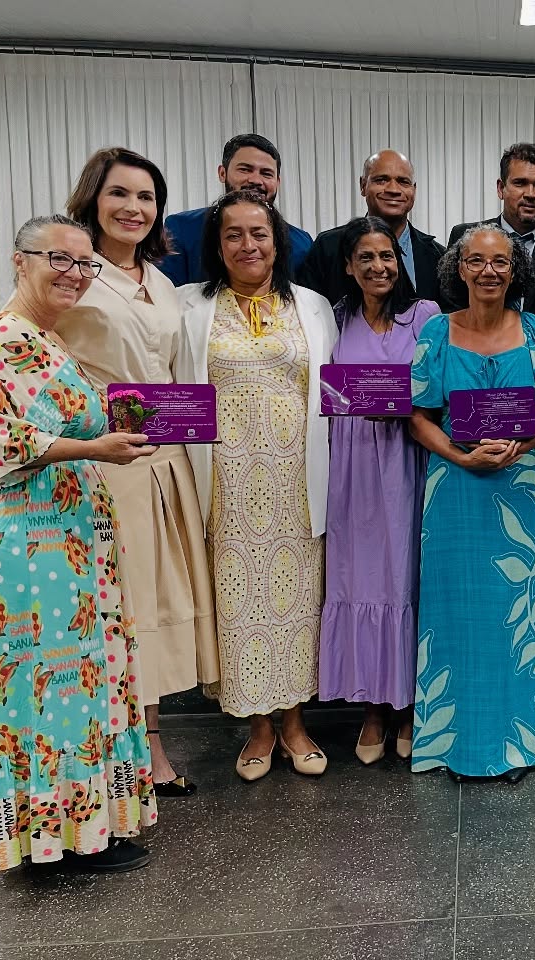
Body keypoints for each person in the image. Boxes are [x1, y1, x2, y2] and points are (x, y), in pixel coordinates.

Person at [0, 148, 220, 796]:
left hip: (164, 460)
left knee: (152, 605)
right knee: (116, 610)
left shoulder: (158, 277)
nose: (134, 207)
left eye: (147, 197)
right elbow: (18, 334)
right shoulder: (74, 274)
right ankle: (128, 753)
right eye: (120, 193)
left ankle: (144, 741)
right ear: (93, 198)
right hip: (97, 465)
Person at [0, 214, 157, 871]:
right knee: (43, 694)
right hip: (24, 549)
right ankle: (55, 844)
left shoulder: (43, 339)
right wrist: (94, 447)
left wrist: (174, 411)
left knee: (78, 688)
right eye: (59, 260)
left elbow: (81, 416)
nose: (74, 273)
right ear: (21, 261)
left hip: (67, 543)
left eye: (85, 263)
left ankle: (87, 828)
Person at [175, 192, 336, 779]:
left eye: (259, 233)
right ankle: (258, 727)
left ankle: (295, 723)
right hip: (229, 485)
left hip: (296, 479)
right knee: (240, 604)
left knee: (297, 604)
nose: (248, 245)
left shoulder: (314, 307)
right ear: (217, 247)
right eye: (234, 235)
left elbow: (334, 395)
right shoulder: (189, 307)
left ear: (279, 241)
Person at [408, 225, 535, 782]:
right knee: (455, 612)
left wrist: (520, 445)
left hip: (519, 486)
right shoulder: (435, 332)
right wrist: (460, 455)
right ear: (459, 268)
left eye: (501, 261)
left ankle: (517, 742)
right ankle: (453, 743)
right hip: (453, 485)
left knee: (515, 613)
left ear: (515, 270)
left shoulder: (532, 331)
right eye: (476, 260)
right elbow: (418, 417)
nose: (489, 271)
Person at [320, 217, 440, 765]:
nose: (379, 267)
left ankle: (410, 706)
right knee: (360, 577)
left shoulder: (426, 317)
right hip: (350, 469)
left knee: (408, 580)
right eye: (365, 258)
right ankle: (372, 709)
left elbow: (438, 389)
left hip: (408, 460)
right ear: (348, 266)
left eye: (387, 256)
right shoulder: (331, 320)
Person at [445, 143, 535, 317]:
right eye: (520, 183)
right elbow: (451, 301)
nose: (530, 194)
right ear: (500, 188)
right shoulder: (466, 237)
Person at [160, 134, 313, 286]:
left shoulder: (302, 241)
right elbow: (163, 295)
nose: (255, 180)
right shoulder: (182, 228)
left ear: (277, 182)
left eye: (266, 173)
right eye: (245, 169)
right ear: (222, 173)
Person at [297, 150, 446, 306]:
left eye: (403, 182)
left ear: (414, 190)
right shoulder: (328, 247)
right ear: (363, 186)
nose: (393, 190)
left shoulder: (438, 256)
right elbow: (309, 314)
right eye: (382, 180)